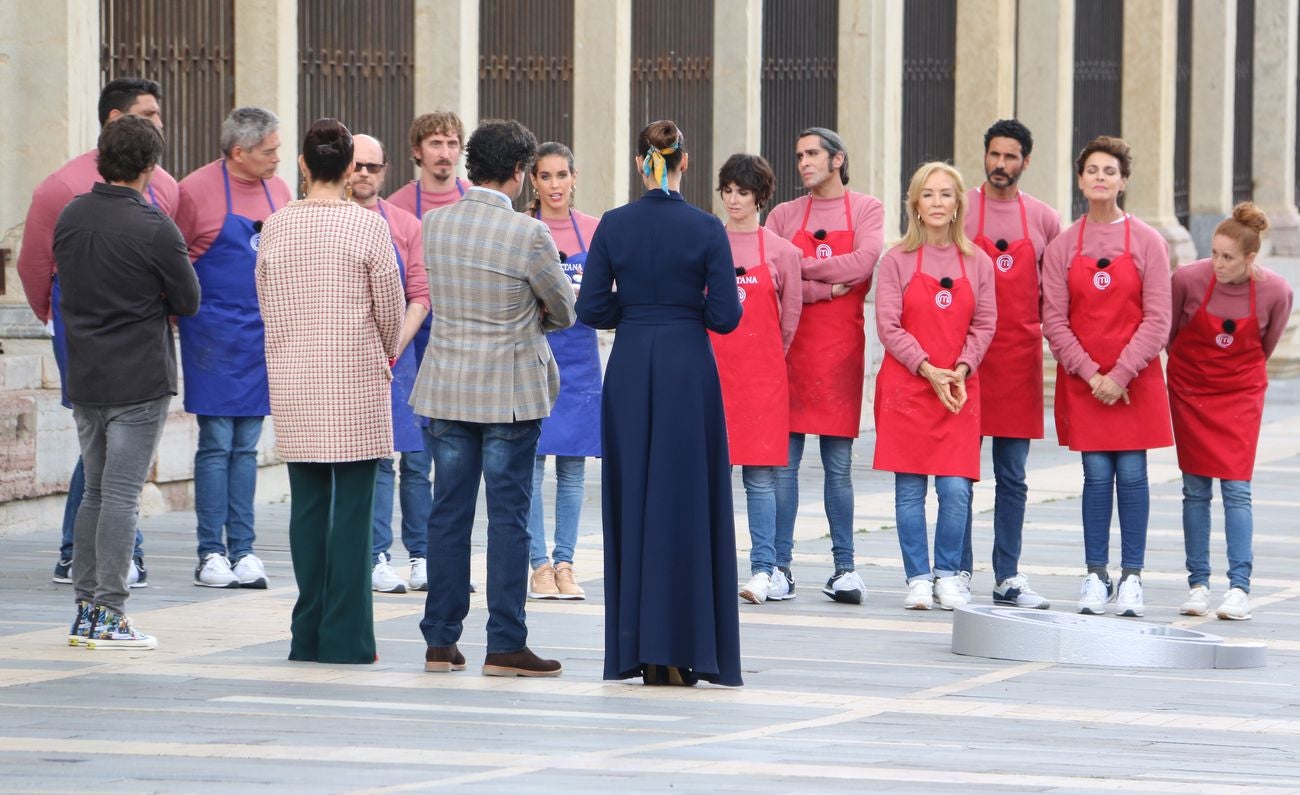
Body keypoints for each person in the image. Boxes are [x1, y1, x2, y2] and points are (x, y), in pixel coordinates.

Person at [578, 119, 743, 687]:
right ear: (684, 161)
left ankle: (640, 650)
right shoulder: (706, 227)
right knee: (687, 502)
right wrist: (682, 311)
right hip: (686, 370)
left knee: (635, 502)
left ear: (639, 163)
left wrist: (638, 314)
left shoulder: (613, 226)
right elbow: (725, 315)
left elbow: (593, 308)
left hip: (629, 367)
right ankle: (685, 646)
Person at [414, 119, 574, 678]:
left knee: (447, 514)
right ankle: (505, 642)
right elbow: (565, 308)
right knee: (510, 519)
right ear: (520, 173)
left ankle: (439, 639)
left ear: (469, 164)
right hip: (508, 392)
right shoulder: (529, 235)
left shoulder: (433, 224)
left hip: (446, 386)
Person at [18, 77, 178, 588]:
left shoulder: (166, 188)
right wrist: (60, 322)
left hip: (128, 336)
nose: (159, 123)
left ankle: (109, 560)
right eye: (149, 114)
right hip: (87, 336)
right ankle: (93, 574)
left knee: (112, 467)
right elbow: (34, 267)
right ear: (117, 120)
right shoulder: (60, 189)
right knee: (111, 467)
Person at [256, 118, 405, 664]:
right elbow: (390, 309)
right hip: (356, 379)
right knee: (354, 514)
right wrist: (385, 351)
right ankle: (347, 637)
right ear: (348, 169)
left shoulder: (274, 227)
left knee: (308, 510)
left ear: (302, 164)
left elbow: (266, 304)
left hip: (295, 378)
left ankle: (307, 632)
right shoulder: (368, 227)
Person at [54, 114, 200, 648]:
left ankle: (87, 608)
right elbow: (188, 299)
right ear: (150, 166)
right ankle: (110, 611)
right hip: (138, 374)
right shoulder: (155, 225)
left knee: (95, 490)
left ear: (102, 157)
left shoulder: (71, 216)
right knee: (120, 494)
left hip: (87, 371)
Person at [1042, 135, 1173, 618]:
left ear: (1123, 181)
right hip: (1085, 381)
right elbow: (1054, 319)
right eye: (1092, 170)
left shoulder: (1148, 242)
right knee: (1096, 477)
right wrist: (1090, 373)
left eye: (1109, 171)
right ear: (1080, 180)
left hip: (1133, 380)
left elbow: (1158, 318)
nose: (1100, 177)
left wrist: (1119, 374)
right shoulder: (1061, 246)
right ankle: (1095, 575)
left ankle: (1132, 576)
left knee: (1134, 475)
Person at [765, 127, 884, 605]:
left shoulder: (867, 209)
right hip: (790, 352)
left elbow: (866, 261)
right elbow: (772, 273)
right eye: (799, 156)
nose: (804, 163)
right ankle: (779, 566)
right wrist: (822, 287)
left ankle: (845, 568)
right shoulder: (783, 214)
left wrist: (801, 268)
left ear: (838, 159)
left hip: (840, 357)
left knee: (839, 469)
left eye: (813, 154)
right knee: (784, 469)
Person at [176, 106, 293, 590]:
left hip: (261, 336)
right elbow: (173, 260)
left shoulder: (281, 192)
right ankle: (210, 553)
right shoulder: (195, 191)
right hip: (212, 338)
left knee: (247, 447)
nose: (277, 159)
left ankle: (244, 550)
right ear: (238, 152)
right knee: (216, 443)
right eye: (269, 152)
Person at [874, 162, 996, 611]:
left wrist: (960, 370)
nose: (938, 202)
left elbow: (985, 323)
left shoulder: (978, 261)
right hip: (908, 389)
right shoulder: (896, 261)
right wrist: (927, 368)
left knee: (955, 489)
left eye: (947, 194)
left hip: (959, 391)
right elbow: (888, 325)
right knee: (909, 490)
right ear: (915, 205)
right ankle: (918, 578)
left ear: (959, 203)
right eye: (929, 195)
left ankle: (948, 574)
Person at [1169, 204, 1293, 621]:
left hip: (1240, 394)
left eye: (1228, 257)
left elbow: (1268, 344)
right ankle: (1198, 584)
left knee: (1237, 490)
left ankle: (1239, 587)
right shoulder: (1187, 279)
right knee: (1195, 489)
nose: (1217, 264)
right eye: (1214, 253)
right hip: (1191, 391)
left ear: (1250, 259)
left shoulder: (1277, 291)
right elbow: (1170, 334)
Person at [959, 119, 1061, 609]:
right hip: (964, 359)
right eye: (994, 155)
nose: (1000, 165)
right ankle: (956, 570)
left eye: (1010, 157)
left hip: (1019, 360)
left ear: (1026, 161)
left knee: (1013, 476)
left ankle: (1008, 575)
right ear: (985, 155)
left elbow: (1056, 294)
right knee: (959, 470)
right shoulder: (959, 207)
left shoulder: (1043, 219)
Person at [710, 154, 804, 605]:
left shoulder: (783, 253)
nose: (733, 200)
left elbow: (789, 322)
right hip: (713, 375)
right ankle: (712, 565)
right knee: (712, 475)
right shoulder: (707, 242)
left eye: (742, 192)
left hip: (764, 379)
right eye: (727, 190)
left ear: (760, 196)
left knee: (761, 480)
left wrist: (766, 361)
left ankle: (764, 570)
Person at [386, 110, 470, 593]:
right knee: (414, 457)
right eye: (435, 143)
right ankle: (417, 553)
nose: (444, 152)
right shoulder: (397, 206)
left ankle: (446, 554)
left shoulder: (472, 202)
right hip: (410, 341)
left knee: (456, 458)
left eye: (452, 143)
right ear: (417, 151)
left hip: (459, 342)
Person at [346, 133, 432, 595]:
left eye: (372, 167)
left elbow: (419, 293)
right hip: (353, 357)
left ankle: (421, 555)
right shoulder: (332, 221)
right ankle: (377, 555)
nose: (364, 174)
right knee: (376, 461)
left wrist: (392, 345)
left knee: (417, 460)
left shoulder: (405, 224)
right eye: (357, 165)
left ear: (385, 172)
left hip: (402, 358)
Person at [524, 142, 601, 601]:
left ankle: (567, 563)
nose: (555, 185)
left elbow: (612, 289)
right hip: (532, 357)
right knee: (531, 467)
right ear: (533, 180)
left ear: (575, 178)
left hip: (579, 362)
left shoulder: (595, 230)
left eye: (562, 175)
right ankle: (539, 566)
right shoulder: (522, 229)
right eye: (545, 176)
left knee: (572, 470)